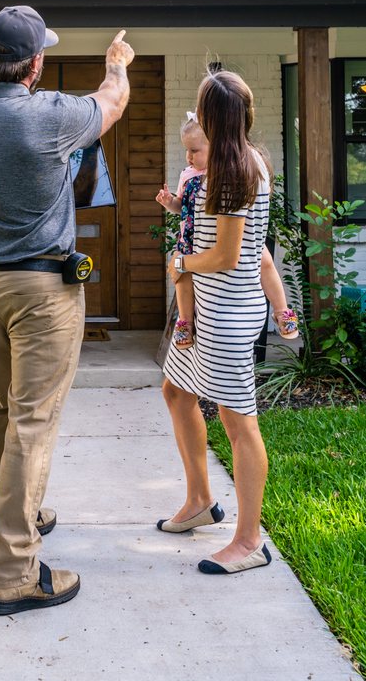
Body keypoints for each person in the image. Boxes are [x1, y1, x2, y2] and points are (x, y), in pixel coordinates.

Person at [0, 6, 134, 614]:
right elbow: (112, 103)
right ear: (35, 64)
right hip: (40, 291)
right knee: (31, 423)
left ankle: (9, 512)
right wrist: (115, 64)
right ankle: (14, 571)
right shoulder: (46, 117)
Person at [158, 70, 273, 575]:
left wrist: (181, 264)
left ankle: (249, 541)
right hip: (208, 306)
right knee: (176, 392)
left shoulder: (236, 172)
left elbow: (227, 256)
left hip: (228, 310)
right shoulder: (225, 167)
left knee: (236, 421)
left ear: (214, 119)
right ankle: (202, 500)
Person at [156, 114, 299, 350]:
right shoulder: (188, 175)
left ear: (214, 146)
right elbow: (182, 206)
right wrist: (169, 201)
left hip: (234, 240)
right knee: (182, 276)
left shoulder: (227, 172)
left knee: (266, 261)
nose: (189, 157)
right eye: (186, 151)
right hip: (192, 238)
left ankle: (282, 311)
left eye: (195, 150)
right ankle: (185, 323)